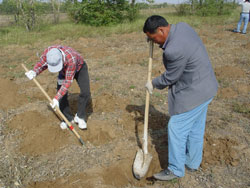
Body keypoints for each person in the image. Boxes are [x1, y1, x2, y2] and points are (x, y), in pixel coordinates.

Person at [143, 15, 218, 181]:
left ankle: (176, 170)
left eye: (153, 38)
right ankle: (192, 163)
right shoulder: (182, 27)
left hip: (195, 92)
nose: (153, 42)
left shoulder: (174, 50)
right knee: (195, 128)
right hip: (207, 86)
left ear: (161, 30)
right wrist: (157, 40)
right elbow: (171, 44)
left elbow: (171, 77)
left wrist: (153, 83)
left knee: (176, 128)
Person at [25, 45, 90, 130]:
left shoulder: (71, 58)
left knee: (85, 92)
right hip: (63, 71)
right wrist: (34, 72)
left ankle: (80, 116)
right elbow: (42, 64)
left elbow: (67, 82)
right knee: (61, 96)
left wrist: (56, 98)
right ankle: (67, 119)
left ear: (61, 59)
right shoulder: (48, 53)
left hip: (79, 68)